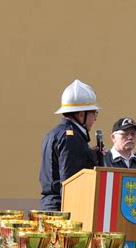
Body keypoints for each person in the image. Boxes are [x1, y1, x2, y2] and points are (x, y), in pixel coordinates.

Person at [40, 79, 101, 211]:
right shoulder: (72, 138)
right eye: (93, 113)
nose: (95, 118)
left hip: (52, 205)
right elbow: (71, 182)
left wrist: (90, 155)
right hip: (64, 208)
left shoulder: (54, 133)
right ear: (81, 114)